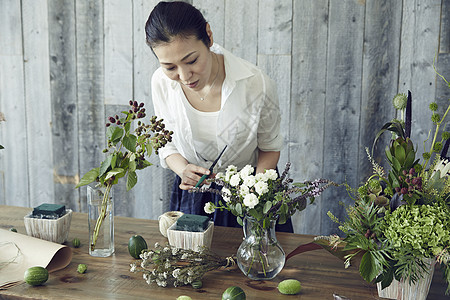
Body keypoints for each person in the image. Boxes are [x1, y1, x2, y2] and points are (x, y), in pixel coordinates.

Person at [145, 1, 293, 232]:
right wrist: (182, 169)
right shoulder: (160, 82)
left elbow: (270, 148)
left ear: (209, 36)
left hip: (250, 196)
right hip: (192, 196)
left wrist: (254, 195)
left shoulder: (256, 84)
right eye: (169, 67)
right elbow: (166, 145)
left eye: (191, 60)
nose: (184, 76)